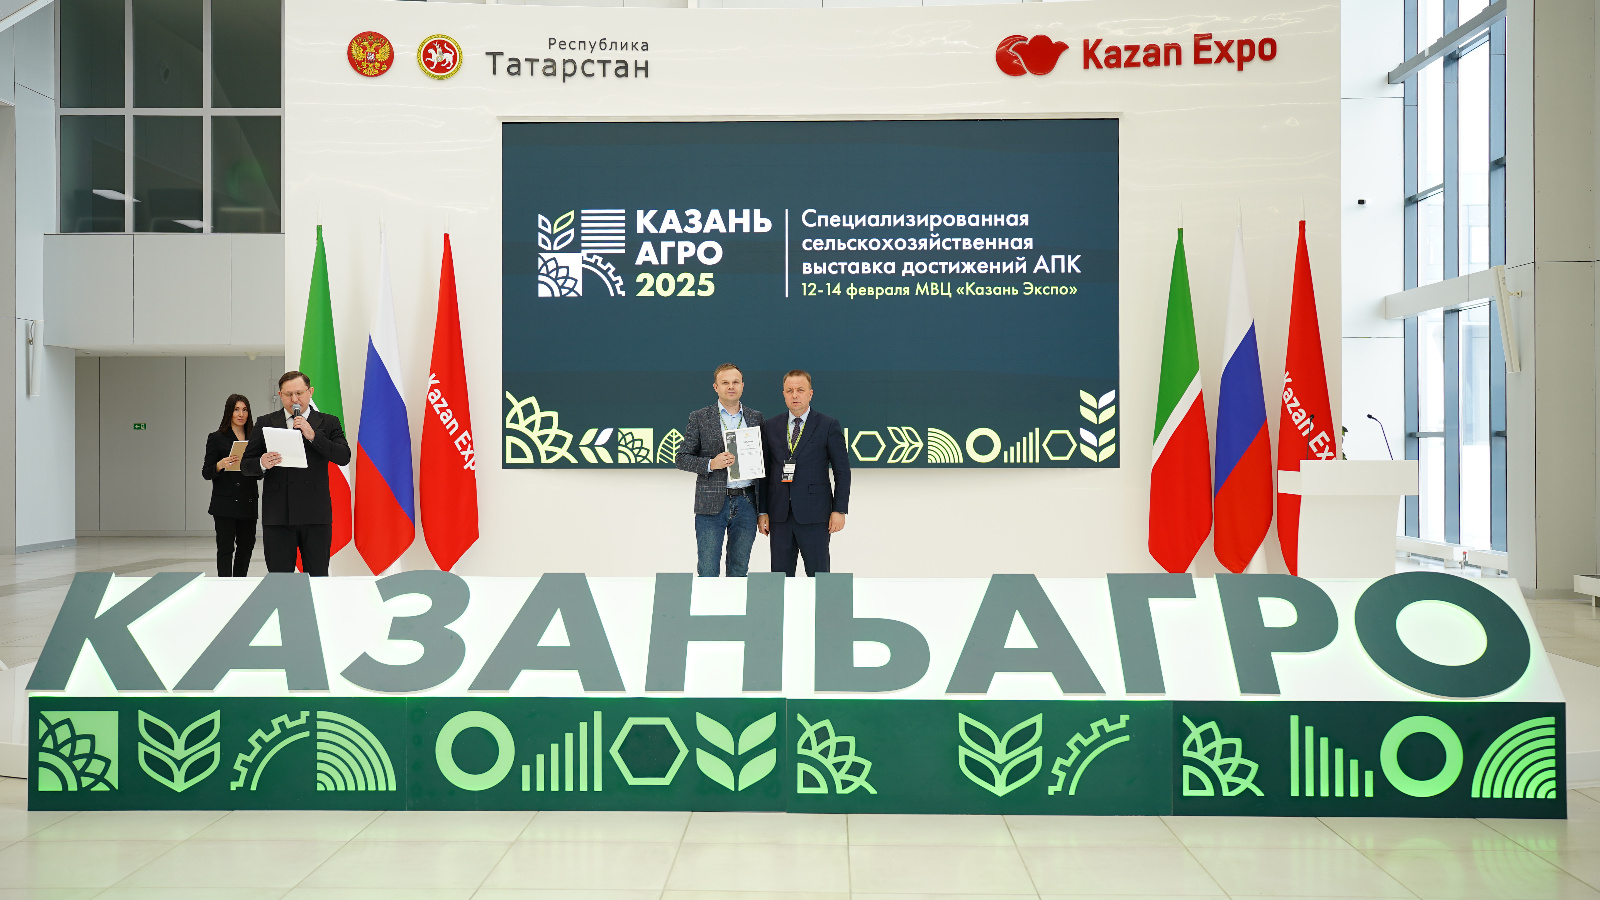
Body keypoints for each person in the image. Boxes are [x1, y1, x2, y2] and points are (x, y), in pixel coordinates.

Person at [241, 371, 352, 576]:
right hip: (278, 515)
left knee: (317, 577)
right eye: (288, 394)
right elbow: (246, 465)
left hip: (315, 514)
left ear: (310, 392)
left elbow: (344, 456)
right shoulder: (265, 422)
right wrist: (261, 463)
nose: (294, 399)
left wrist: (313, 435)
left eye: (299, 393)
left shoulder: (328, 422)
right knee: (280, 579)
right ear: (280, 395)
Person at [675, 363, 765, 576]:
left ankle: (735, 601)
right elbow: (681, 458)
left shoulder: (756, 417)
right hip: (711, 503)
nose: (731, 387)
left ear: (742, 386)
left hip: (747, 502)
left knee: (739, 570)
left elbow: (765, 461)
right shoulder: (700, 417)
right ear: (716, 387)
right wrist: (710, 464)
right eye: (725, 383)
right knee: (708, 571)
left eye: (735, 382)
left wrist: (764, 509)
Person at [758, 370, 850, 576]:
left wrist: (839, 510)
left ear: (810, 393)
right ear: (783, 394)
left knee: (818, 576)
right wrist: (762, 511)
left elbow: (842, 471)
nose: (795, 395)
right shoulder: (770, 426)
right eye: (789, 390)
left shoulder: (828, 425)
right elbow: (764, 472)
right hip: (779, 516)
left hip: (816, 515)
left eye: (800, 390)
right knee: (780, 578)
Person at [200, 393, 260, 577]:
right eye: (236, 410)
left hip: (248, 501)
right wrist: (220, 465)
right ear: (229, 412)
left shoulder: (255, 438)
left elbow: (259, 473)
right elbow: (206, 472)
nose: (241, 414)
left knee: (246, 546)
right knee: (225, 548)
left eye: (244, 410)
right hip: (225, 503)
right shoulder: (216, 438)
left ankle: (240, 582)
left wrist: (261, 465)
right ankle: (224, 585)